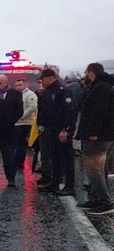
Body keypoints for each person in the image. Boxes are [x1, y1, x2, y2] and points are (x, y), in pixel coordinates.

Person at [75, 63, 114, 214]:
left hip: (98, 136)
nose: (85, 75)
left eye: (86, 72)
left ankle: (105, 201)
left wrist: (93, 132)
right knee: (100, 168)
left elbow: (98, 111)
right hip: (103, 134)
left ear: (91, 73)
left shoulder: (100, 88)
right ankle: (96, 198)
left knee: (93, 169)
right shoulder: (103, 86)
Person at [36, 68, 78, 196]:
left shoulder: (63, 90)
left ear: (50, 78)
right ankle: (54, 183)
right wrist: (42, 124)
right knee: (55, 158)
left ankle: (70, 186)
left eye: (43, 79)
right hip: (51, 129)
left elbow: (70, 111)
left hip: (62, 130)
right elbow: (44, 110)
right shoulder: (48, 91)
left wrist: (66, 129)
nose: (41, 82)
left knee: (66, 158)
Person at [13, 79, 38, 169]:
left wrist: (22, 116)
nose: (18, 87)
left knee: (20, 142)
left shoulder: (30, 95)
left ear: (25, 85)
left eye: (20, 85)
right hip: (17, 122)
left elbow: (33, 107)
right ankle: (16, 160)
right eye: (16, 85)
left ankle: (17, 161)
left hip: (25, 122)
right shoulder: (18, 95)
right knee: (17, 142)